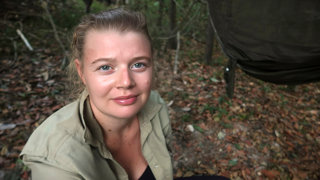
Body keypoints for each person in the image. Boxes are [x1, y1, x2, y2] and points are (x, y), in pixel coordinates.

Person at [20, 8, 173, 180]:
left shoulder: (155, 106)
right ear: (82, 72)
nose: (126, 82)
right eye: (105, 67)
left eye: (138, 64)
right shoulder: (57, 161)